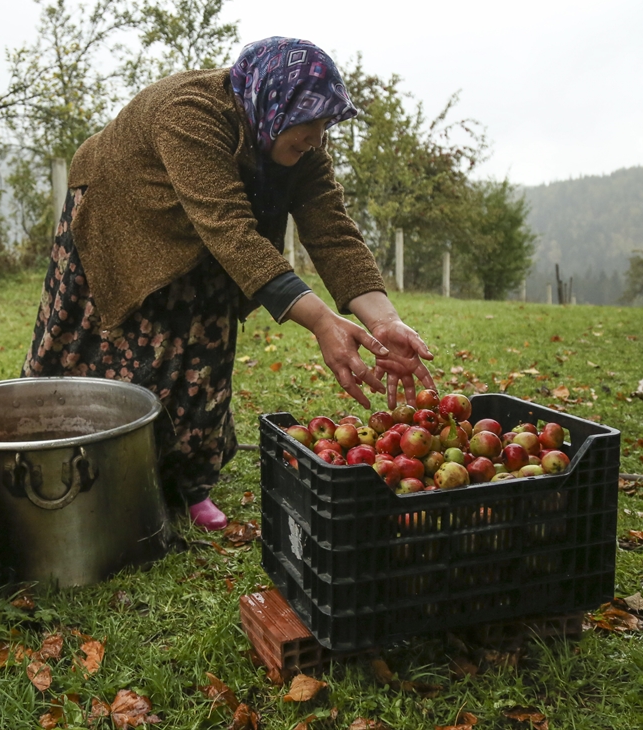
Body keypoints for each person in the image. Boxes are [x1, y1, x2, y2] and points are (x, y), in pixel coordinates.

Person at [23, 37, 435, 530]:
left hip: (212, 239)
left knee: (204, 354)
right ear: (273, 103)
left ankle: (188, 485)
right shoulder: (190, 112)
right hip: (123, 220)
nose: (316, 136)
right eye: (308, 120)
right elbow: (231, 228)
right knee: (111, 354)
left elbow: (333, 233)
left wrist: (384, 320)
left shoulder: (303, 146)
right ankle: (64, 472)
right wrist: (321, 321)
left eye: (325, 123)